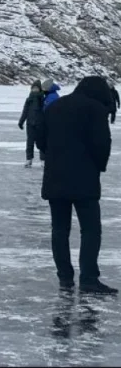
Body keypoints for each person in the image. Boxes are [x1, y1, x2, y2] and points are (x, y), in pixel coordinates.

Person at [37, 76, 116, 294]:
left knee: (60, 230)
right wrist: (98, 166)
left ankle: (65, 279)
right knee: (91, 230)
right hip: (84, 180)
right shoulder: (95, 109)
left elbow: (40, 138)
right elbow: (102, 144)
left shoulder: (55, 106)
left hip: (55, 178)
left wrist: (53, 156)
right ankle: (89, 279)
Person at [18, 80, 45, 167]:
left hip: (40, 124)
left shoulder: (42, 98)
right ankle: (29, 159)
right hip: (30, 124)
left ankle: (43, 160)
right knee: (30, 142)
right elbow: (25, 111)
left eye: (36, 88)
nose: (34, 90)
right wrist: (21, 121)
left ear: (39, 89)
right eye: (33, 88)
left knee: (41, 142)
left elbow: (45, 111)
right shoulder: (29, 99)